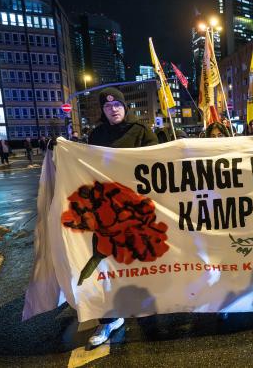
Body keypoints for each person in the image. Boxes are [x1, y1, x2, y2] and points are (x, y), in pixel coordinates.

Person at [87, 87, 158, 347]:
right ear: (103, 110)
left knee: (140, 259)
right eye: (107, 106)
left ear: (125, 107)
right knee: (106, 264)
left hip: (137, 211)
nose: (113, 109)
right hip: (107, 211)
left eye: (117, 104)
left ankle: (149, 303)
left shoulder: (141, 131)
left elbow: (157, 164)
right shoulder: (96, 134)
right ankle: (109, 320)